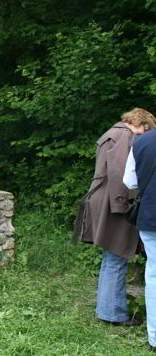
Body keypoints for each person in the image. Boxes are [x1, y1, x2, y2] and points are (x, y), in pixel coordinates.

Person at [75, 108, 156, 326]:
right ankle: (112, 313)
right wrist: (123, 205)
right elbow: (120, 174)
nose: (144, 135)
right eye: (145, 129)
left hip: (106, 198)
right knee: (116, 255)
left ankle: (108, 309)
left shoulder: (113, 132)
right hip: (114, 201)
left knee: (112, 256)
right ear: (140, 123)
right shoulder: (124, 136)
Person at [124, 123, 156, 350]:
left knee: (154, 277)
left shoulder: (142, 142)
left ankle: (155, 338)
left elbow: (130, 182)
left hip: (150, 215)